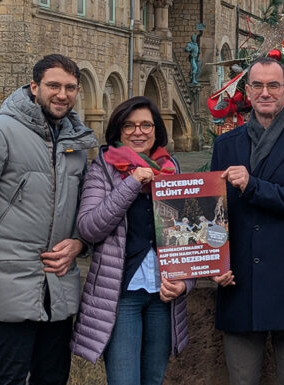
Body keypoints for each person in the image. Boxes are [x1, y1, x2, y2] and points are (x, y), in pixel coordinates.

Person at [0, 54, 97, 385]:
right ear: (34, 87)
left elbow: (84, 207)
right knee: (9, 378)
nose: (62, 94)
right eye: (53, 85)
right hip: (8, 284)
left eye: (70, 87)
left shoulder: (76, 142)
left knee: (53, 378)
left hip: (58, 286)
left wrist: (80, 243)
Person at [209, 57, 284, 385]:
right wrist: (213, 262)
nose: (265, 92)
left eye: (273, 85)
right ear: (247, 92)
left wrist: (253, 186)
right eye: (258, 85)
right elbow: (214, 214)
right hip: (239, 283)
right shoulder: (225, 145)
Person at [70, 96, 195, 384]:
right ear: (118, 130)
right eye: (129, 125)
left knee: (154, 379)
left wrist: (185, 283)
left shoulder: (171, 168)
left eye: (146, 125)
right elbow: (89, 228)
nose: (138, 132)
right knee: (124, 379)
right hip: (121, 295)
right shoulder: (103, 169)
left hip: (163, 294)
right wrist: (132, 183)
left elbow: (189, 238)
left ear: (156, 130)